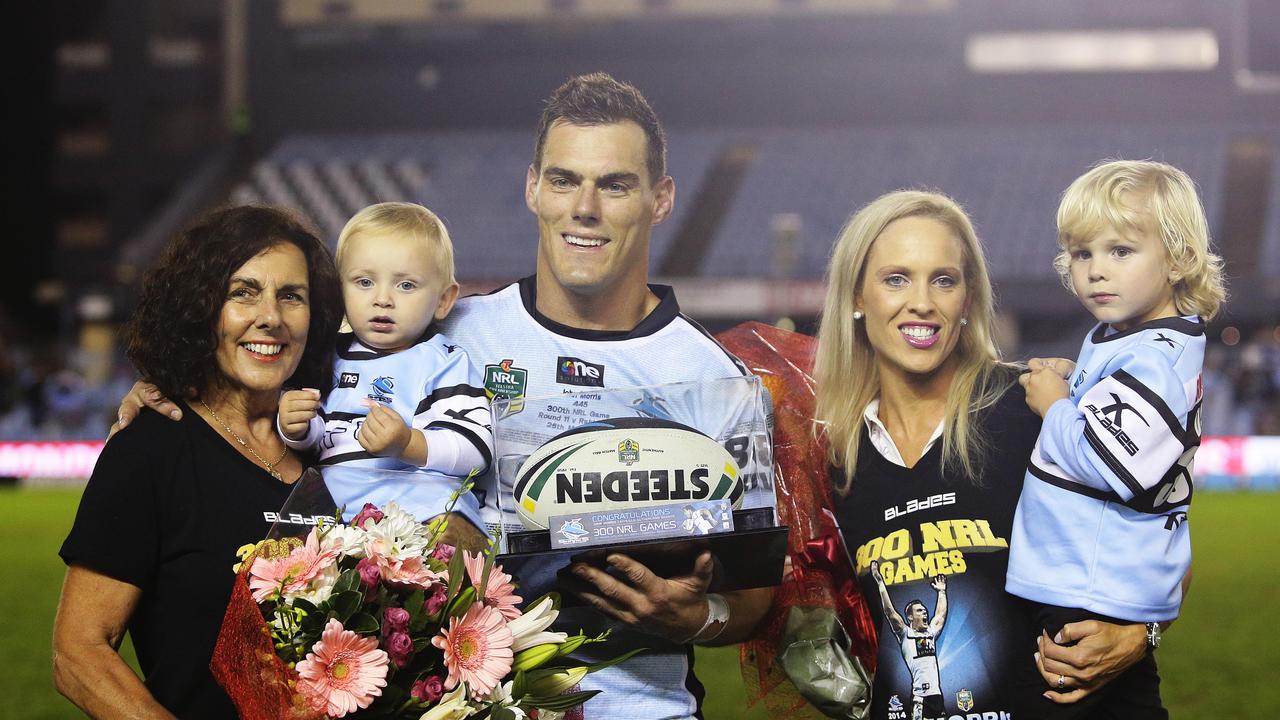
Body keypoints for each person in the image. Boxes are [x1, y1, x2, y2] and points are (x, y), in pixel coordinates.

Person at [113, 72, 773, 720]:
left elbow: (756, 593)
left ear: (660, 199)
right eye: (565, 179)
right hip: (455, 702)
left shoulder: (717, 379)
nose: (585, 207)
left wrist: (698, 616)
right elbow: (268, 387)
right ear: (533, 188)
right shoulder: (437, 336)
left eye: (616, 184)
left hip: (637, 708)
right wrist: (174, 402)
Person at [812, 190, 1152, 720]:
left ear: (967, 300)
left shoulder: (1037, 408)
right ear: (857, 297)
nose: (921, 301)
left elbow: (1163, 541)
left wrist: (1140, 632)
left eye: (943, 280)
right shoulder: (832, 457)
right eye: (896, 278)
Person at [54, 206, 342, 718]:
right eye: (243, 292)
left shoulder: (335, 446)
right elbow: (79, 653)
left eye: (291, 296)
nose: (270, 317)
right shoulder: (151, 450)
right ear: (202, 308)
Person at [1006, 160, 1227, 717]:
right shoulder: (1128, 338)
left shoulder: (1156, 358)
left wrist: (1056, 404)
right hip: (1086, 579)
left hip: (1089, 591)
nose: (1096, 272)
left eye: (1120, 251)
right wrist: (1073, 389)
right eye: (1083, 255)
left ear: (1178, 258)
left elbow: (1106, 461)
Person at [278, 202, 492, 548]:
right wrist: (296, 427)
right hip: (336, 512)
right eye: (364, 282)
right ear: (339, 290)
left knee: (452, 549)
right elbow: (319, 436)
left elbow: (475, 448)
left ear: (443, 299)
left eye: (406, 285)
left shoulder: (443, 360)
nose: (382, 299)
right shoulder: (325, 354)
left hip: (423, 508)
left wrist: (408, 443)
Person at [870, 563, 947, 720]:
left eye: (925, 610)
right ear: (910, 617)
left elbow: (939, 615)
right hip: (921, 698)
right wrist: (880, 583)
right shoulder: (905, 633)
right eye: (919, 610)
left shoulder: (930, 633)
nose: (925, 611)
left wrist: (942, 592)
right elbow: (890, 612)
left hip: (937, 696)